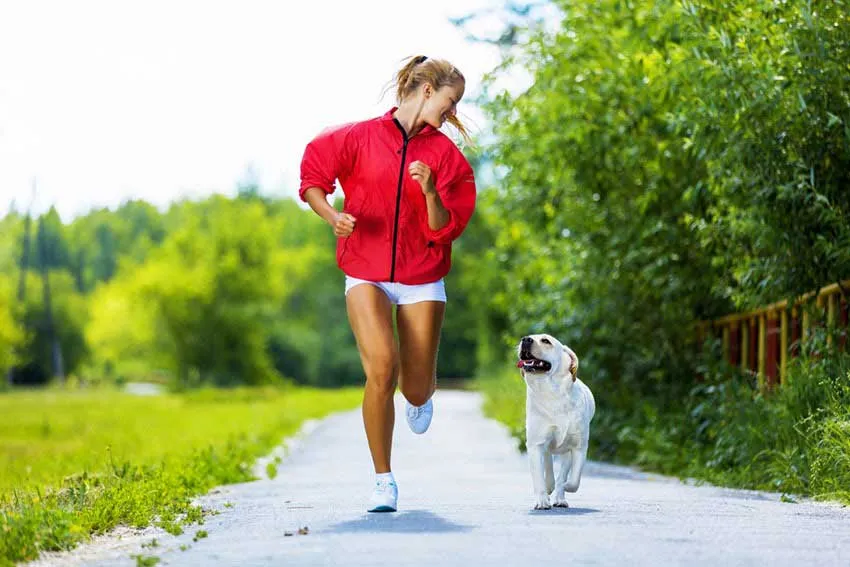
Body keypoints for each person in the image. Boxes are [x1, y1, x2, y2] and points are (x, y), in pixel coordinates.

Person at [298, 55, 477, 513]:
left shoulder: (446, 157)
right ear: (426, 90)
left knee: (415, 388)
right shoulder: (356, 137)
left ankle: (421, 397)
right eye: (450, 101)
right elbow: (314, 177)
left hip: (422, 277)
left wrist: (431, 191)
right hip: (365, 270)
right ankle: (383, 481)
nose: (451, 112)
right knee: (382, 367)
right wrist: (333, 215)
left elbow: (445, 229)